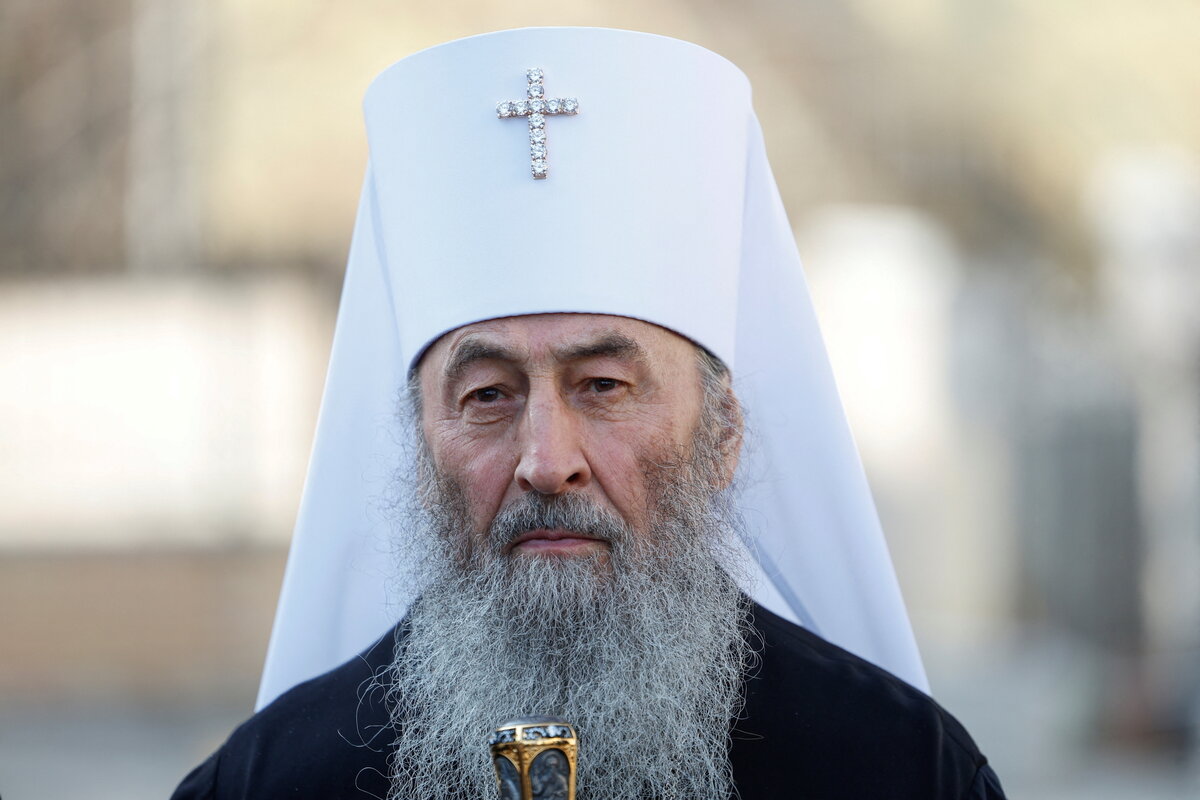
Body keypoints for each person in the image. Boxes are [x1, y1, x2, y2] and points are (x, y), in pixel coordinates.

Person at [172, 28, 1006, 799]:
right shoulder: (270, 784)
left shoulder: (896, 770)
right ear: (420, 452)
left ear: (721, 436)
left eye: (603, 386)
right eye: (488, 395)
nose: (546, 461)